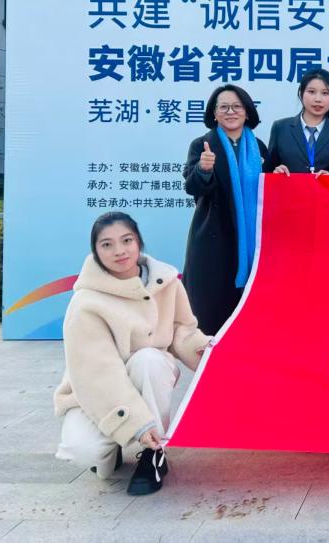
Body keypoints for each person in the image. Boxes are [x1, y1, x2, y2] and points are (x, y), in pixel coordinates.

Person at [54, 212, 210, 496]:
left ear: (138, 242)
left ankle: (154, 454)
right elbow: (98, 373)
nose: (119, 251)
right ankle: (113, 443)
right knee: (83, 451)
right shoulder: (85, 302)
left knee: (150, 359)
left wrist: (210, 353)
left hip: (147, 373)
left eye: (126, 240)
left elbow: (182, 330)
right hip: (96, 390)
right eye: (107, 244)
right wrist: (134, 425)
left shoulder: (167, 283)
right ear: (96, 251)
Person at [183, 84, 268, 335]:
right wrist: (203, 169)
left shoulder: (259, 147)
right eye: (224, 107)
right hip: (214, 237)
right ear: (215, 113)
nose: (231, 112)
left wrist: (277, 173)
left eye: (237, 106)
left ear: (247, 111)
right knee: (212, 310)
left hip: (253, 240)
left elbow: (266, 190)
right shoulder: (202, 145)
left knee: (250, 313)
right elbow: (192, 187)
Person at [267, 69, 329, 176]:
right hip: (289, 187)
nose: (318, 99)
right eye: (311, 92)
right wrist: (275, 172)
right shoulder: (280, 128)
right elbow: (267, 171)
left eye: (325, 93)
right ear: (301, 93)